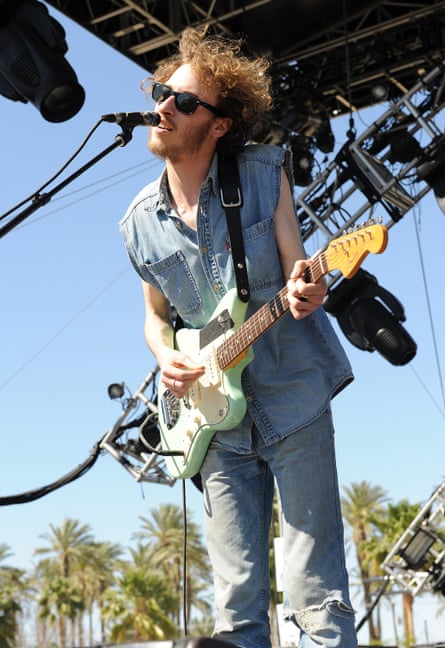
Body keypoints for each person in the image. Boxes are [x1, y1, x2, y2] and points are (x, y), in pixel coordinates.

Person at [119, 26, 357, 648]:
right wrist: (166, 354)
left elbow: (300, 268)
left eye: (185, 101)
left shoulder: (261, 173)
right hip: (211, 420)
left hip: (293, 395)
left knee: (316, 595)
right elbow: (155, 317)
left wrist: (309, 289)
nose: (164, 107)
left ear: (219, 124)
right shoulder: (139, 224)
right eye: (162, 93)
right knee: (236, 609)